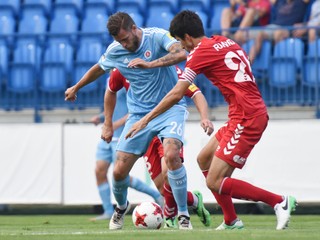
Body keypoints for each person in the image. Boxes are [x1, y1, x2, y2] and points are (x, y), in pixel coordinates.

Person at [125, 10, 297, 231]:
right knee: (203, 159)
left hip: (248, 118)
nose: (182, 47)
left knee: (214, 181)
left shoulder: (199, 53)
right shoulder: (225, 41)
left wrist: (146, 119)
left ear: (187, 37)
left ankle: (278, 201)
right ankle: (231, 220)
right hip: (242, 114)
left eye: (180, 41)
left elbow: (177, 93)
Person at [65, 12, 212, 230]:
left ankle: (183, 215)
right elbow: (99, 70)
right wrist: (76, 87)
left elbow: (182, 53)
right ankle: (121, 208)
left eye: (125, 39)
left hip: (170, 109)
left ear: (134, 28)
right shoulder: (116, 52)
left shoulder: (157, 36)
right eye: (119, 41)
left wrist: (150, 64)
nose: (123, 45)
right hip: (138, 116)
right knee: (118, 171)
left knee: (172, 155)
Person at [106, 67, 213, 228]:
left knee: (168, 169)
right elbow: (110, 89)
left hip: (168, 122)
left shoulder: (168, 67)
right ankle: (193, 200)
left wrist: (204, 117)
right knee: (163, 189)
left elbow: (195, 92)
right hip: (143, 126)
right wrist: (107, 123)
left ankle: (180, 214)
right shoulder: (122, 67)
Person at [89, 83, 163, 221]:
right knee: (99, 171)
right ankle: (108, 211)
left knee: (120, 174)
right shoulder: (109, 79)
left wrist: (116, 123)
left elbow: (135, 108)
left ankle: (156, 195)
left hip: (122, 135)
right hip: (107, 136)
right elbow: (113, 107)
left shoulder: (125, 78)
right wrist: (101, 118)